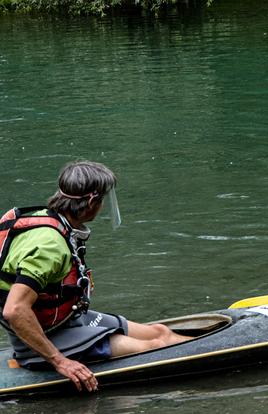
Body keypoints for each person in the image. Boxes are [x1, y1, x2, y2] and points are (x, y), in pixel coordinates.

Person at [0, 161, 190, 392]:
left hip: (67, 321)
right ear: (91, 202)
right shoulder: (50, 247)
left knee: (161, 331)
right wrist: (60, 361)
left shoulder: (50, 219)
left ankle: (211, 345)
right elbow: (15, 310)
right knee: (155, 346)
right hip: (44, 339)